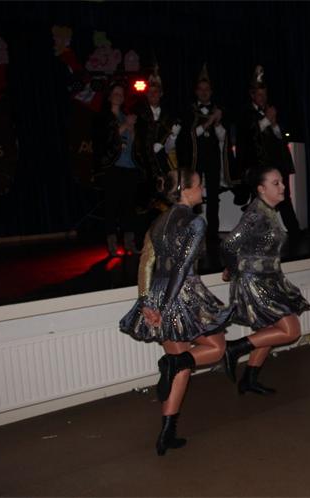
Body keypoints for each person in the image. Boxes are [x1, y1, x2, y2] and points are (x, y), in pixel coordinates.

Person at [119, 168, 231, 455]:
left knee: (180, 366)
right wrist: (165, 306)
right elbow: (181, 268)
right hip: (183, 294)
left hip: (157, 293)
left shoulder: (157, 222)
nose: (202, 189)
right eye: (199, 185)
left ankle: (166, 434)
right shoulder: (195, 222)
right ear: (185, 190)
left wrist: (147, 302)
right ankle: (174, 364)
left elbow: (145, 264)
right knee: (217, 348)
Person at [220, 167, 310, 395]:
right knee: (291, 331)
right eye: (276, 183)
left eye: (282, 182)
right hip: (256, 281)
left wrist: (232, 268)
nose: (283, 186)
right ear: (261, 189)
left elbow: (248, 246)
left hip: (269, 279)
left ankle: (249, 380)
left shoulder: (267, 211)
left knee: (269, 330)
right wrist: (234, 270)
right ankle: (234, 348)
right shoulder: (256, 214)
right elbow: (229, 245)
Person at [236, 65, 301, 236]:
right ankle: (252, 233)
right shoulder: (246, 113)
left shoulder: (271, 110)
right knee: (258, 201)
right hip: (258, 165)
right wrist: (266, 120)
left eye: (265, 94)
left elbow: (281, 136)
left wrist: (273, 123)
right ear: (252, 95)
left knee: (284, 197)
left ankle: (295, 232)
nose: (263, 98)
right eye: (259, 94)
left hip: (277, 164)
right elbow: (249, 136)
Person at [177, 64, 232, 246]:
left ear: (211, 92)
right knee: (194, 196)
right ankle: (193, 232)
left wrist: (217, 123)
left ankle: (212, 233)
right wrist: (208, 123)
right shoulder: (189, 111)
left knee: (214, 198)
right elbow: (189, 136)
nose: (204, 92)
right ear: (196, 92)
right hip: (195, 161)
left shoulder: (218, 111)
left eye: (207, 89)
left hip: (213, 160)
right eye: (201, 89)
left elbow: (223, 138)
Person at [93, 82, 141, 256]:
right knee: (112, 205)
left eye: (121, 93)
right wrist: (125, 126)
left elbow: (133, 142)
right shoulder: (104, 117)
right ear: (109, 96)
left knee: (129, 206)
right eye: (115, 93)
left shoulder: (125, 116)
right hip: (112, 166)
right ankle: (112, 245)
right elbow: (104, 140)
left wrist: (132, 129)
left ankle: (129, 244)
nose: (118, 96)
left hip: (130, 166)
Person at [133, 68, 181, 212]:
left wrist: (172, 137)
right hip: (143, 164)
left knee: (165, 199)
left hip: (162, 163)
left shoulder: (169, 116)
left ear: (161, 94)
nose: (153, 94)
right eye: (150, 92)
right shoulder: (138, 114)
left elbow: (169, 148)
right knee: (146, 202)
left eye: (156, 91)